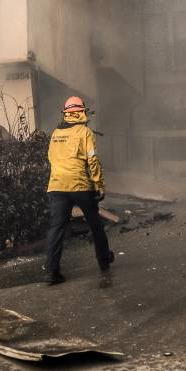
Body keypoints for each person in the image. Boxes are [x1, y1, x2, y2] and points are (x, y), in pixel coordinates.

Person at [43, 96, 113, 284]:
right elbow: (92, 161)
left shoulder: (56, 133)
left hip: (56, 186)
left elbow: (50, 158)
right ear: (82, 112)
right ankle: (104, 260)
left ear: (65, 113)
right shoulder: (85, 132)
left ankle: (52, 272)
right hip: (80, 185)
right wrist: (99, 185)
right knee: (95, 223)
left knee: (57, 228)